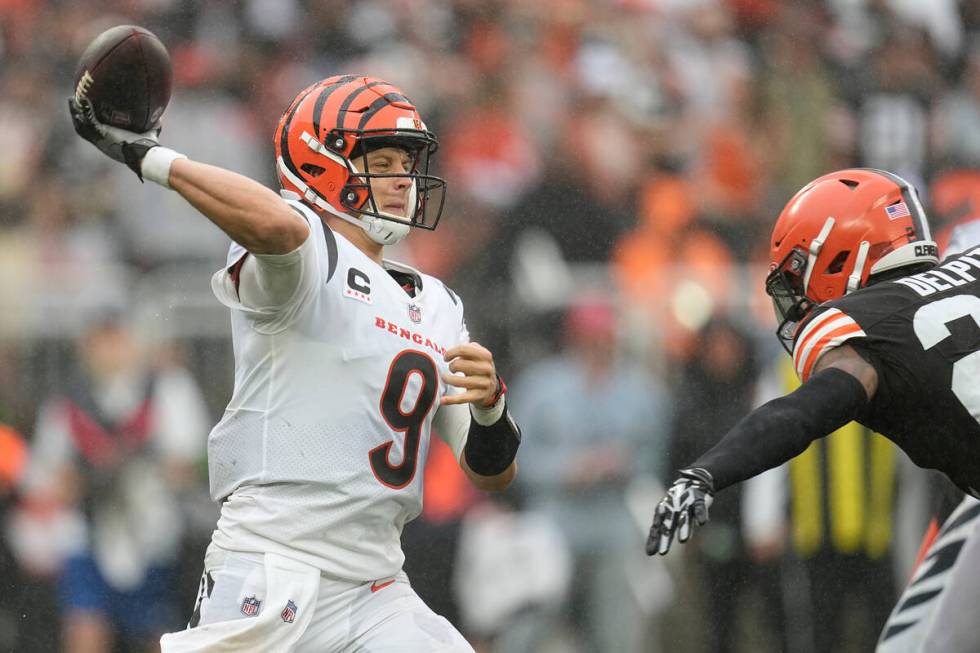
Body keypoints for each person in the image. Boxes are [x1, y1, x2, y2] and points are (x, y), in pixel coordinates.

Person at [69, 74, 521, 653]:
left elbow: (490, 473)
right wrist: (150, 157)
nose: (402, 180)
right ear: (320, 163)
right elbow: (282, 228)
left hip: (375, 586)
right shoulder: (301, 259)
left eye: (406, 164)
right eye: (382, 161)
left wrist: (490, 408)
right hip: (272, 570)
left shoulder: (436, 303)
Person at [645, 168, 980, 645]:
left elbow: (808, 409)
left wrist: (707, 472)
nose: (796, 300)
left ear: (842, 255)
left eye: (797, 276)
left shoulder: (861, 331)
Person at [22, 313, 209, 652]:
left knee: (161, 630)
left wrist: (135, 464)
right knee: (86, 624)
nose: (109, 350)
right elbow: (48, 474)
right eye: (100, 341)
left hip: (153, 530)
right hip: (89, 528)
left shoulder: (166, 387)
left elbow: (190, 463)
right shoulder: (68, 398)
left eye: (116, 339)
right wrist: (85, 478)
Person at [511, 297, 672, 653]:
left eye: (604, 335)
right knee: (533, 619)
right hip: (554, 518)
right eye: (589, 335)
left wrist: (621, 464)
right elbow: (514, 459)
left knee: (618, 625)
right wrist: (566, 469)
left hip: (613, 518)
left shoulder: (642, 391)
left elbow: (656, 459)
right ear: (573, 337)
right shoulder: (540, 386)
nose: (598, 343)